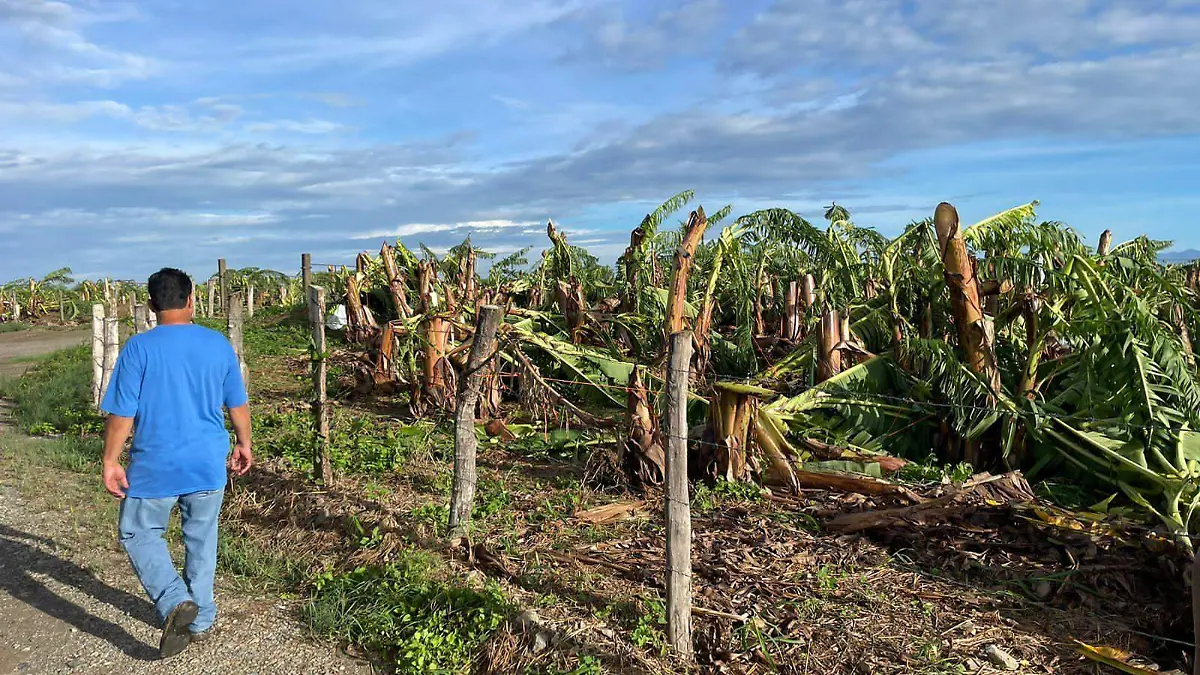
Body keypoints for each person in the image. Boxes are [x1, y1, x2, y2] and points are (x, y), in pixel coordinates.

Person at [99, 268, 253, 659]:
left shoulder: (138, 348)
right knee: (201, 538)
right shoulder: (217, 345)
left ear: (152, 306)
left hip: (156, 465)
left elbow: (122, 413)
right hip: (206, 463)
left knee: (138, 532)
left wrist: (111, 460)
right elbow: (236, 402)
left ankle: (173, 602)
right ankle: (200, 618)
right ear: (191, 300)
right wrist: (244, 443)